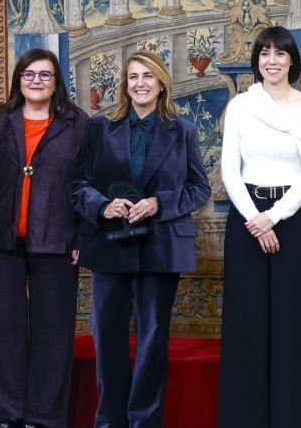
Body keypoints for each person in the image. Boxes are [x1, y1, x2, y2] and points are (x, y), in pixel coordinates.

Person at [71, 50, 210, 428]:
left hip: (161, 244)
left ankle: (144, 421)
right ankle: (109, 420)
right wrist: (103, 205)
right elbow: (78, 185)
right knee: (107, 338)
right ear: (124, 84)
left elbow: (199, 189)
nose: (140, 84)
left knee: (152, 340)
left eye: (148, 76)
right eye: (133, 77)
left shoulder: (183, 130)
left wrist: (157, 203)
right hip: (109, 244)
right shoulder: (100, 128)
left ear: (162, 82)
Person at [0, 48, 88, 428]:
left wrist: (83, 235)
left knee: (54, 330)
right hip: (0, 239)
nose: (36, 81)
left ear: (56, 82)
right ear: (19, 79)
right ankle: (9, 412)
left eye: (45, 75)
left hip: (57, 238)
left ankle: (44, 415)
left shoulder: (77, 123)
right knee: (2, 328)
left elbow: (86, 184)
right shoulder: (0, 120)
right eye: (29, 74)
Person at [219, 27, 301, 428]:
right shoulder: (241, 106)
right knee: (246, 322)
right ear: (256, 60)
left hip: (293, 218)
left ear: (292, 61)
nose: (272, 61)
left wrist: (275, 216)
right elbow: (230, 169)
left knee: (293, 321)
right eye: (264, 53)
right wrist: (255, 219)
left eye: (280, 54)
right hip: (247, 216)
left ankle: (293, 417)